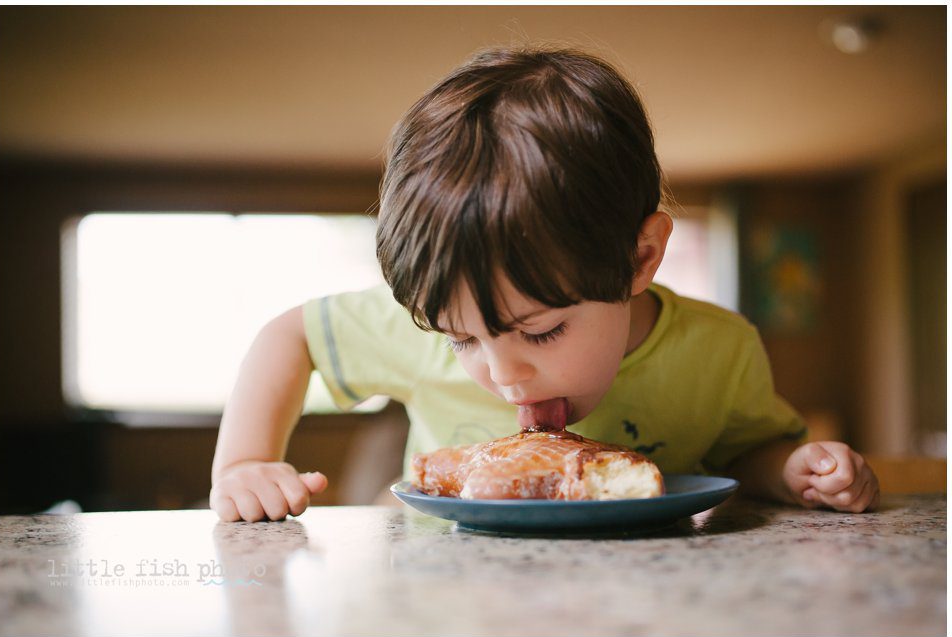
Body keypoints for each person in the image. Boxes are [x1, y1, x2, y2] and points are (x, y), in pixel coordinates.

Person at [210, 46, 879, 522]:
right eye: (460, 341)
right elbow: (290, 334)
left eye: (541, 330)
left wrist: (796, 472)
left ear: (639, 257)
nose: (504, 376)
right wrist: (243, 465)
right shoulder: (437, 318)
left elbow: (750, 451)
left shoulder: (719, 350)